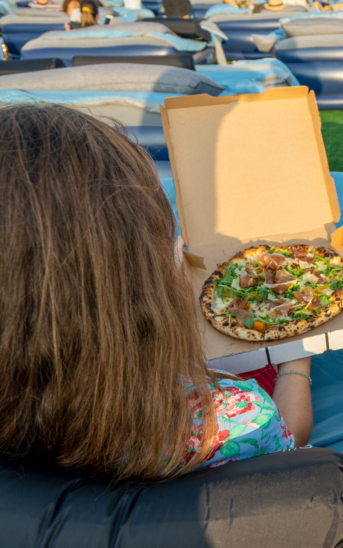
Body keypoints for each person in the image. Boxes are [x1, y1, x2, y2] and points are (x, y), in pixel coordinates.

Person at [0, 104, 312, 480]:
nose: (181, 245)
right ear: (138, 292)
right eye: (168, 239)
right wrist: (297, 359)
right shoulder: (236, 415)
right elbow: (288, 438)